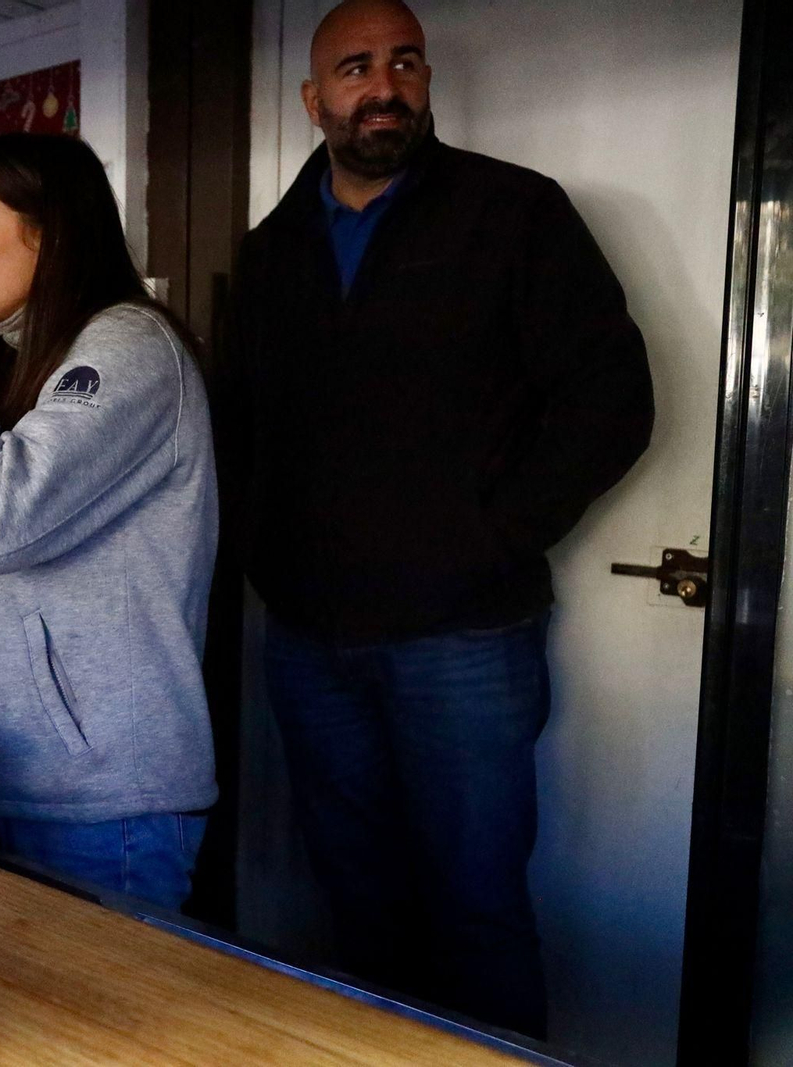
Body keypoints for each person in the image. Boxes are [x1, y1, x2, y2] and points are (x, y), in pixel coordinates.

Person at [225, 0, 654, 1037]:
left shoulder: (513, 213)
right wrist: (267, 557)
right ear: (312, 96)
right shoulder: (271, 249)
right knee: (359, 909)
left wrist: (490, 533)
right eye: (357, 67)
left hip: (463, 636)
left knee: (475, 911)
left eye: (405, 63)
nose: (385, 86)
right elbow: (245, 425)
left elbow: (612, 397)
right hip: (311, 642)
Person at [0, 133, 219, 912]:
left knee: (109, 1034)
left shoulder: (125, 346)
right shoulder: (42, 354)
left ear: (48, 230)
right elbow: (33, 527)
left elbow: (1, 519)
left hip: (101, 801)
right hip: (23, 780)